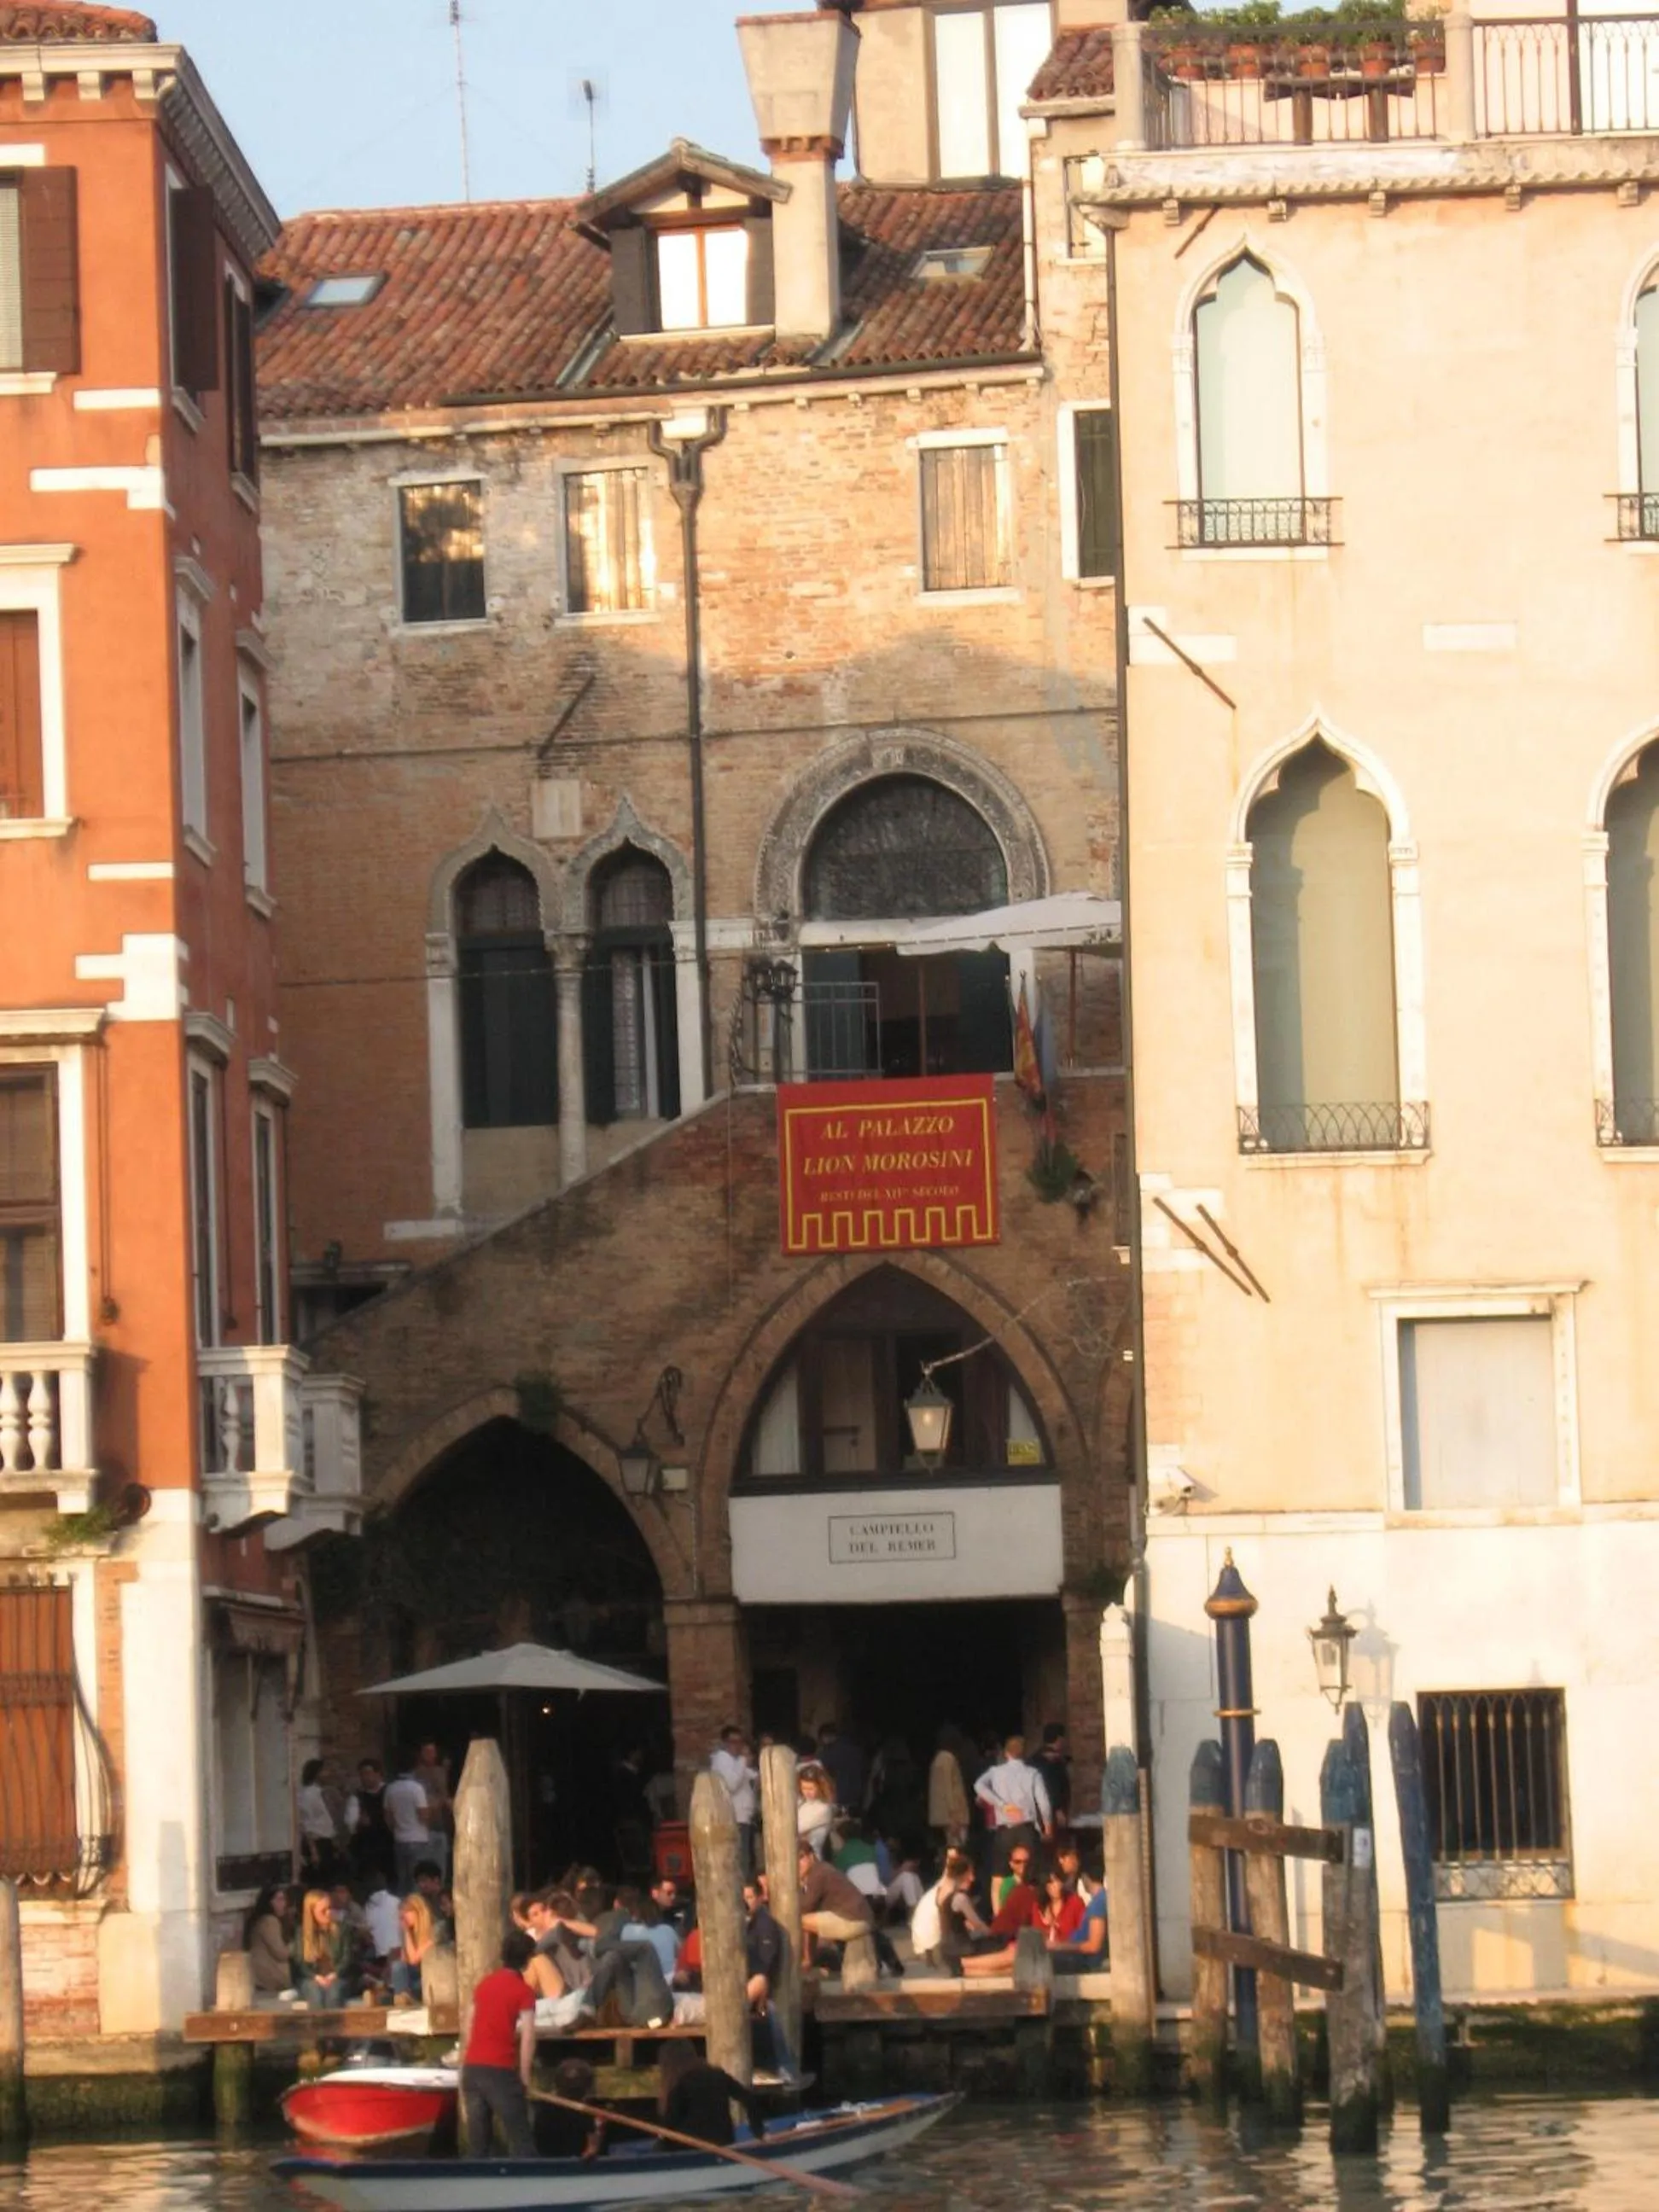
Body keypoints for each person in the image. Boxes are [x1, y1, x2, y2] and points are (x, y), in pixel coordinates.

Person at [461, 1927, 538, 2157]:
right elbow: (528, 2038)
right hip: (499, 2071)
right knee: (520, 2137)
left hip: (472, 2070)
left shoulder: (484, 1984)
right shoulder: (524, 1991)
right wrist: (524, 2076)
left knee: (478, 2143)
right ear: (528, 1959)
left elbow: (468, 2026)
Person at [656, 2040, 766, 2150]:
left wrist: (660, 2141)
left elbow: (669, 2124)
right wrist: (758, 2131)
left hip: (691, 2147)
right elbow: (748, 2098)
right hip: (724, 2142)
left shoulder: (680, 2086)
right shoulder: (718, 2076)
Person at [742, 1874, 798, 2081]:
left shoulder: (765, 1925)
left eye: (749, 1897)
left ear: (759, 1898)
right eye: (742, 1898)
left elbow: (765, 1966)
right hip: (746, 1990)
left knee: (771, 2013)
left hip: (762, 1992)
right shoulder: (742, 1925)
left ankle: (785, 2068)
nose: (745, 1902)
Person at [974, 1734, 1052, 1871]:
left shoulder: (995, 1772)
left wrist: (1001, 1805)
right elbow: (1044, 1804)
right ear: (1025, 1753)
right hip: (1027, 1828)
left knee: (1001, 1875)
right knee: (1030, 1874)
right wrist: (1048, 1828)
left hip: (1004, 1830)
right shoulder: (1033, 1773)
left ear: (1006, 1753)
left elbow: (978, 1786)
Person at [797, 1837, 874, 1959]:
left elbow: (804, 1908)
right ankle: (808, 1959)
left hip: (854, 1921)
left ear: (811, 1857)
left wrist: (798, 1887)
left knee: (797, 1920)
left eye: (801, 1858)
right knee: (805, 1920)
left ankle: (804, 1961)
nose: (797, 1864)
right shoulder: (821, 1870)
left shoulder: (818, 1873)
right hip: (858, 1918)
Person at [294, 1889, 360, 2008]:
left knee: (333, 1993)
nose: (328, 1913)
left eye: (330, 1908)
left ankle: (334, 2026)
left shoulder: (342, 1929)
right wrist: (316, 1977)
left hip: (337, 1976)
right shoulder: (302, 1933)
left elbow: (347, 1958)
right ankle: (318, 2026)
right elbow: (300, 1962)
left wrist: (334, 1974)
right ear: (312, 1912)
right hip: (312, 1978)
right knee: (315, 1994)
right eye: (323, 1911)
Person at [709, 1726, 758, 1874]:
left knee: (746, 1857)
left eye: (739, 1742)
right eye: (733, 1742)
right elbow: (732, 1784)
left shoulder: (734, 1761)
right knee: (740, 1859)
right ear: (725, 1743)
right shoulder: (722, 1759)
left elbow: (754, 1776)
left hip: (744, 1817)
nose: (737, 1746)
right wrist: (744, 1760)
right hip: (734, 1817)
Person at [383, 1755, 432, 1895]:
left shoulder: (391, 1789)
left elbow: (388, 1817)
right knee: (418, 1879)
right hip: (418, 1838)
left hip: (400, 1839)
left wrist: (396, 1829)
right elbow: (423, 1814)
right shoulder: (417, 1788)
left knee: (402, 1879)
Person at [411, 1739, 453, 1882]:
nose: (430, 1755)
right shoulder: (416, 1774)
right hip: (423, 1826)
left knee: (441, 1865)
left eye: (432, 1752)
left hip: (441, 1824)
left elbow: (445, 1794)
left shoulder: (442, 1772)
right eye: (426, 1752)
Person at [1051, 1871, 1109, 1974]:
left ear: (1085, 1877)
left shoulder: (1098, 1903)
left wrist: (1058, 1946)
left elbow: (1094, 1946)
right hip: (1075, 1957)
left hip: (1083, 1963)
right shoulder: (1100, 1900)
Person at [244, 1882, 294, 1999]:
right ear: (269, 1902)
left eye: (284, 1900)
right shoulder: (269, 1922)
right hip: (268, 1978)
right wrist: (297, 1946)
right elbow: (281, 1953)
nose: (284, 1904)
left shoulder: (259, 1920)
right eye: (279, 1900)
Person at [296, 1757, 342, 1883]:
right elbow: (307, 1823)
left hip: (327, 1840)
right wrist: (313, 1850)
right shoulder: (308, 1794)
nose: (328, 1774)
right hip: (317, 1842)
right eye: (325, 1771)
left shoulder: (321, 1792)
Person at [347, 1756, 393, 1882]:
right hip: (366, 1847)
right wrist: (359, 1824)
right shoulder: (357, 1797)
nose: (365, 1777)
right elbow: (351, 1825)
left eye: (368, 1773)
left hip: (388, 1844)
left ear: (378, 1774)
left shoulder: (389, 1792)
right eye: (362, 1774)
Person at [389, 1890, 439, 2002]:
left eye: (406, 1912)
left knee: (406, 1978)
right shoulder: (408, 1934)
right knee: (398, 1967)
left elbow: (414, 1960)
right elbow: (404, 1961)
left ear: (418, 1912)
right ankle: (402, 1997)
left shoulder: (433, 1932)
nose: (403, 1917)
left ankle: (403, 1997)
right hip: (411, 1978)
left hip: (426, 1975)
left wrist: (406, 1932)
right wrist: (406, 1934)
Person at [928, 1726, 972, 1851]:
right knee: (957, 1849)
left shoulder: (937, 1759)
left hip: (943, 1816)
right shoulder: (948, 1759)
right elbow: (948, 1788)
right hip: (954, 1816)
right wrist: (954, 1816)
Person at [815, 1723, 865, 1816]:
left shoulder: (830, 1752)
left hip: (840, 1795)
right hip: (857, 1794)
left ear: (825, 1736)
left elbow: (820, 1768)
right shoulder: (856, 1749)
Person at [1033, 1725, 1072, 1835]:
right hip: (1051, 1812)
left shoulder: (1035, 1759)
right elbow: (1051, 1785)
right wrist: (1058, 1808)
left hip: (1038, 1811)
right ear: (1059, 1739)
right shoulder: (1053, 1761)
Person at [363, 1869, 401, 1975]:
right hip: (399, 1952)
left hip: (381, 1957)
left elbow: (367, 1934)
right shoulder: (397, 1901)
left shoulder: (368, 1907)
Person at [796, 1762, 835, 1859]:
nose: (807, 1792)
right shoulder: (802, 1802)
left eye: (811, 1788)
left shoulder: (823, 1808)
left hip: (811, 1858)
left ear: (820, 1787)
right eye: (803, 1788)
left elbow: (796, 1827)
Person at [1039, 1867, 1085, 1945]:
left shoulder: (1075, 1903)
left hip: (1070, 1952)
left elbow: (1084, 1933)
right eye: (1050, 1882)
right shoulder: (1039, 1907)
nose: (1054, 1886)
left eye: (1057, 1881)